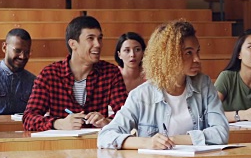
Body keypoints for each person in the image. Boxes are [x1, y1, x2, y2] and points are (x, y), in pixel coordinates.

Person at [98, 20, 229, 150]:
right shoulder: (141, 95)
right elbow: (105, 137)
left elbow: (221, 133)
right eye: (189, 53)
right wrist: (146, 143)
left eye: (197, 51)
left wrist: (174, 139)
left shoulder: (204, 85)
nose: (197, 59)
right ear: (168, 56)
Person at [23, 16, 128, 131]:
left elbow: (126, 114)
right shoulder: (49, 74)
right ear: (73, 44)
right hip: (60, 145)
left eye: (100, 38)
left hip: (99, 144)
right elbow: (28, 117)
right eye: (90, 38)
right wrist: (58, 123)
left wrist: (107, 121)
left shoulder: (111, 73)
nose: (98, 44)